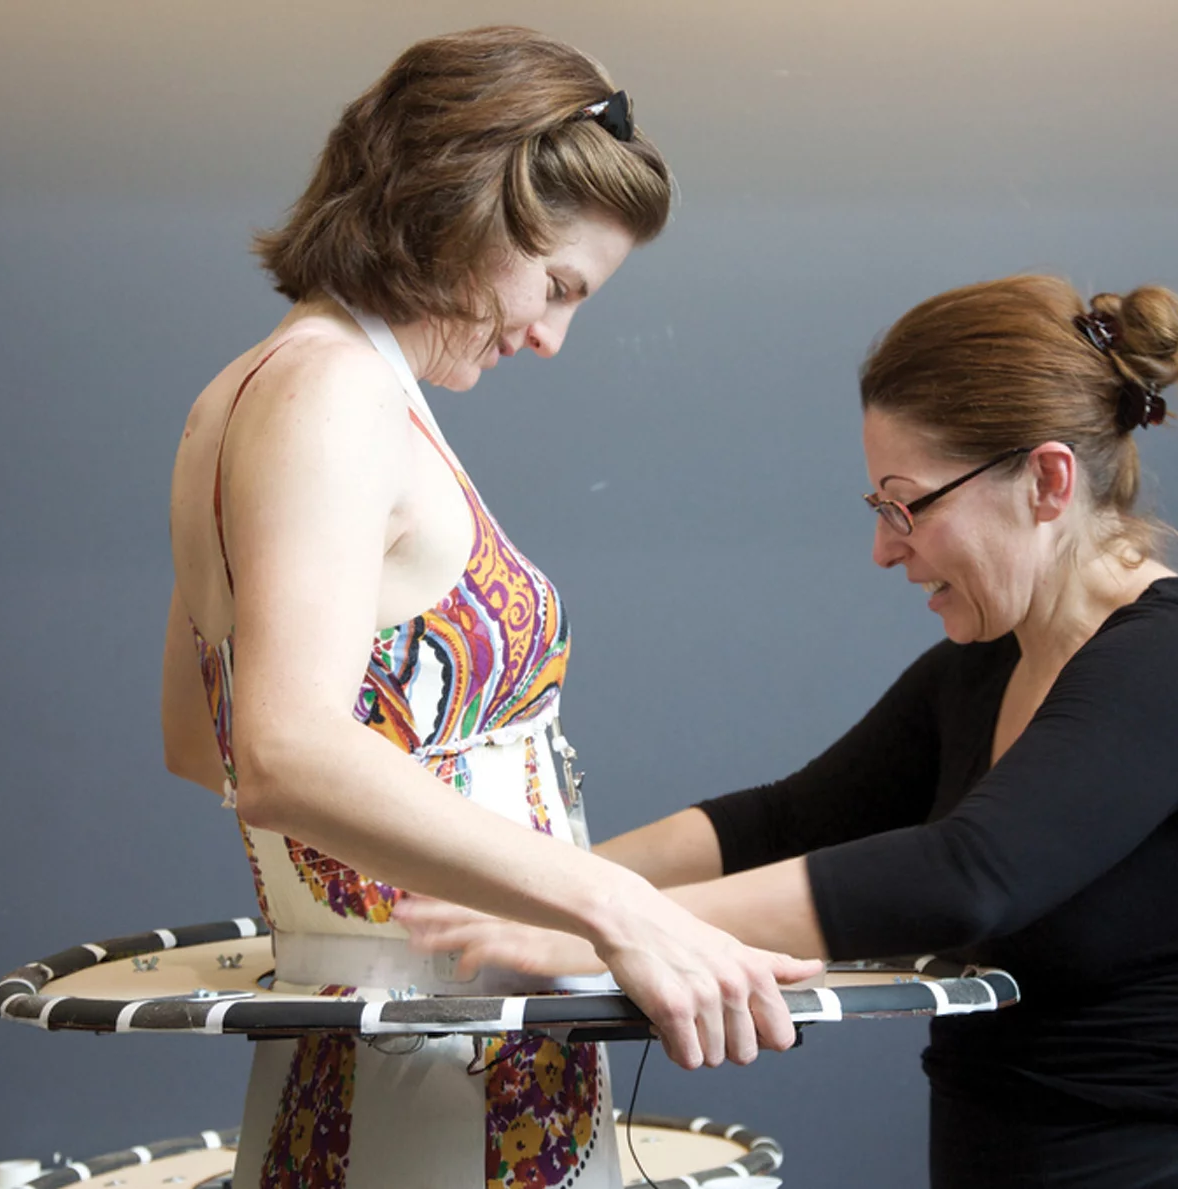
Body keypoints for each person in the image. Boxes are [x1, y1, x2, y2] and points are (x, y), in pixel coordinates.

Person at [400, 275, 1178, 1187]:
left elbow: (968, 875)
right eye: (878, 508)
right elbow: (780, 823)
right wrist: (551, 893)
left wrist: (606, 930)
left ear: (1047, 480)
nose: (886, 545)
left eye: (908, 503)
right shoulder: (987, 664)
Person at [157, 27, 819, 1189]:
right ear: (467, 207)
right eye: (556, 285)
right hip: (431, 1064)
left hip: (399, 1047)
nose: (551, 336)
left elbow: (192, 738)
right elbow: (276, 748)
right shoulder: (333, 394)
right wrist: (616, 906)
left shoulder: (254, 389)